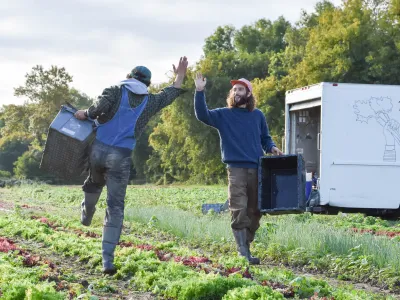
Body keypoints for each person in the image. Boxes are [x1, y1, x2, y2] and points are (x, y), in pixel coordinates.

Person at [74, 56, 188, 274]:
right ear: (146, 84)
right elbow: (170, 93)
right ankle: (107, 260)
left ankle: (86, 213)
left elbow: (97, 109)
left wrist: (85, 114)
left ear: (129, 77)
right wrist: (179, 75)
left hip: (98, 150)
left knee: (94, 182)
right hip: (121, 157)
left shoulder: (115, 90)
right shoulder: (151, 101)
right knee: (115, 206)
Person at [193, 73, 283, 264]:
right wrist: (200, 91)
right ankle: (243, 253)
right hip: (236, 170)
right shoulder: (223, 115)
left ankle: (246, 247)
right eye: (234, 89)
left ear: (248, 94)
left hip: (257, 169)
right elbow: (202, 115)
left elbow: (265, 138)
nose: (236, 92)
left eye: (240, 89)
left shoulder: (257, 115)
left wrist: (272, 147)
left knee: (255, 211)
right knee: (238, 209)